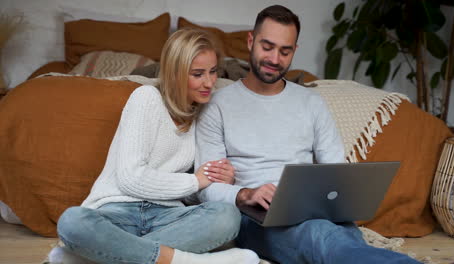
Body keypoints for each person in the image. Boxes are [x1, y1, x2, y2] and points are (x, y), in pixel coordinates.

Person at [195, 5, 422, 264]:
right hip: (255, 219)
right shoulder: (217, 105)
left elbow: (335, 171)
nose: (274, 59)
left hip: (313, 212)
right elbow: (206, 189)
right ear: (250, 41)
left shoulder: (311, 103)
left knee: (341, 239)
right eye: (267, 46)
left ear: (294, 51)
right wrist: (247, 193)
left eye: (285, 51)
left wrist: (341, 197)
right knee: (323, 239)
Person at [56, 28, 260, 264]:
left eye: (213, 71)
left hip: (167, 216)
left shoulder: (204, 116)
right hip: (116, 212)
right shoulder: (146, 98)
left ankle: (94, 257)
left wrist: (220, 179)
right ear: (174, 74)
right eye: (198, 74)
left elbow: (186, 194)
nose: (210, 82)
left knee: (227, 216)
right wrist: (196, 180)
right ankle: (189, 261)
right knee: (72, 221)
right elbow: (130, 178)